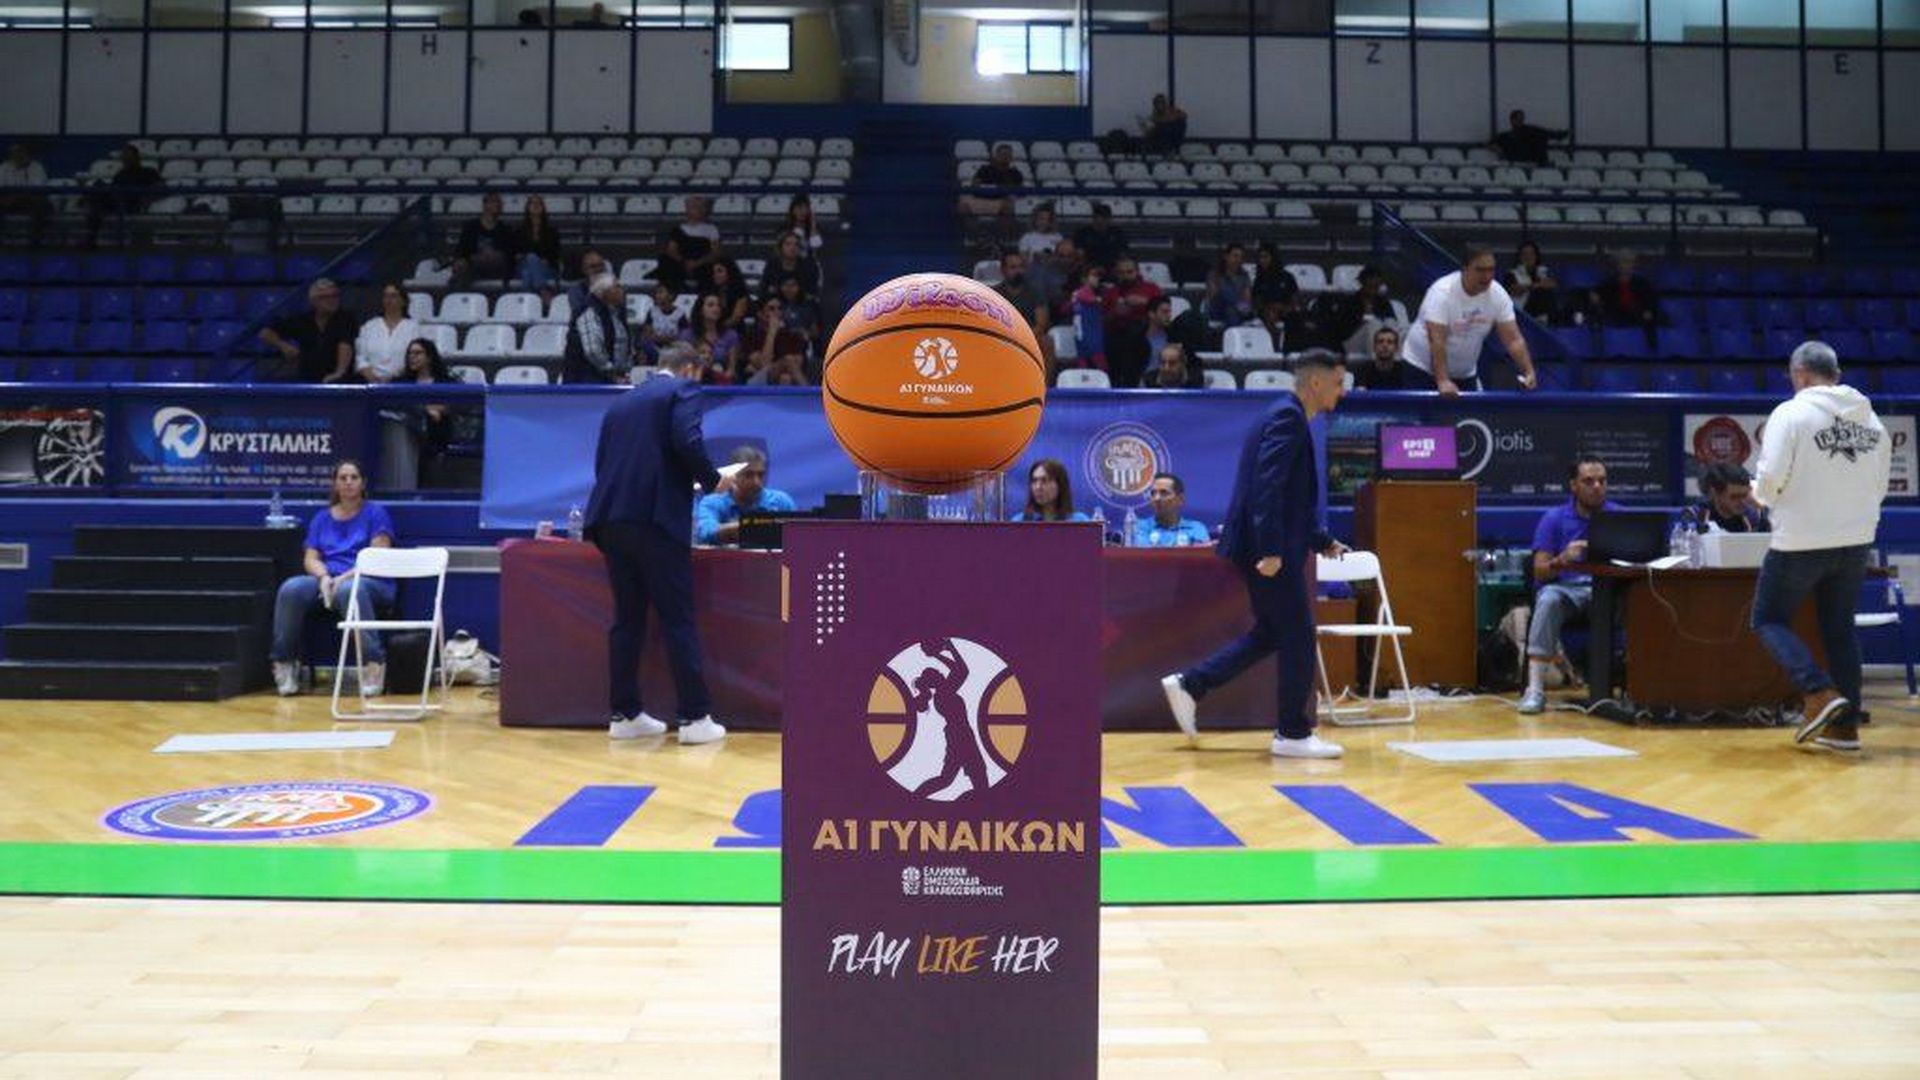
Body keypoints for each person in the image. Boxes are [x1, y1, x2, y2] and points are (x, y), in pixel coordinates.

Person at [1161, 350, 1351, 759]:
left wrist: (1321, 541)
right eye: (1339, 382)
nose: (1343, 391)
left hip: (1269, 545)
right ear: (1316, 382)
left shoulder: (1284, 415)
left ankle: (1192, 684)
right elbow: (1267, 487)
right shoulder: (1288, 419)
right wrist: (1270, 549)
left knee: (1272, 633)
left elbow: (1289, 500)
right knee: (1298, 635)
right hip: (1268, 550)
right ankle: (1293, 734)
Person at [584, 346, 733, 745]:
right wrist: (713, 479)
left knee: (627, 618)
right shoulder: (683, 389)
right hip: (655, 519)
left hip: (610, 518)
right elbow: (687, 440)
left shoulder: (622, 402)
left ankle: (625, 714)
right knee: (677, 618)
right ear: (690, 368)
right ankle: (695, 717)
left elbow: (602, 463)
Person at [1752, 341, 1891, 753]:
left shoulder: (1790, 413)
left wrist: (1762, 496)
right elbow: (1880, 486)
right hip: (1856, 540)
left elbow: (1771, 478)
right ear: (1837, 375)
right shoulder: (1873, 421)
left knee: (1768, 618)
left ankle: (1817, 692)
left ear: (1799, 374)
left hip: (1800, 539)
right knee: (1840, 629)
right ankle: (1845, 730)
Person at [270, 459, 396, 697]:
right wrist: (324, 577)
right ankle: (284, 662)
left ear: (363, 483)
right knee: (291, 588)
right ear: (335, 484)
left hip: (369, 581)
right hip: (329, 580)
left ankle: (373, 663)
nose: (348, 482)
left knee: (350, 590)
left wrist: (343, 579)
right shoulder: (321, 518)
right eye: (343, 478)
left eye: (354, 477)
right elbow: (311, 558)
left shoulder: (376, 514)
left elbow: (377, 558)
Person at [1518, 456, 1622, 714]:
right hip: (1569, 593)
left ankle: (1640, 686)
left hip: (1609, 591)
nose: (1597, 487)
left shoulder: (1619, 516)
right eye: (1589, 481)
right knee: (1548, 599)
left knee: (1646, 599)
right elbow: (1539, 571)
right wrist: (1562, 559)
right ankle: (1535, 689)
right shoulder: (1554, 519)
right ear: (1573, 485)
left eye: (1602, 481)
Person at [1402, 245, 1540, 395]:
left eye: (1491, 270)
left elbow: (1513, 340)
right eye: (1480, 270)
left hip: (1465, 372)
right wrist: (1443, 380)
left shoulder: (1498, 295)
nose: (1487, 276)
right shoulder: (1442, 292)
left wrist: (1528, 371)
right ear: (1465, 269)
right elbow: (1437, 340)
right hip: (1421, 368)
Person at [378, 337, 458, 492]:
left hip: (435, 437)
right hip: (404, 434)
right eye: (410, 353)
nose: (412, 357)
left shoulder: (445, 382)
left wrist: (437, 409)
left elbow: (453, 405)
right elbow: (391, 403)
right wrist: (426, 408)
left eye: (417, 353)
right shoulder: (401, 382)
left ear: (429, 357)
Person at [695, 446, 798, 545]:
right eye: (748, 475)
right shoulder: (712, 502)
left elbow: (799, 535)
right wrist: (758, 526)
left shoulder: (782, 501)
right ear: (733, 476)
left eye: (760, 475)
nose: (756, 482)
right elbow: (706, 532)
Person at [259, 278, 354, 384]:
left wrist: (339, 372)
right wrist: (283, 346)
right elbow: (265, 333)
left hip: (337, 381)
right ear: (313, 301)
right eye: (324, 297)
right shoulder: (302, 320)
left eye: (335, 296)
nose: (331, 300)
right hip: (307, 378)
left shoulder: (346, 319)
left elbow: (345, 344)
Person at [83, 143, 162, 246]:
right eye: (125, 157)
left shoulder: (148, 172)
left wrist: (147, 199)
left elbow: (161, 187)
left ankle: (91, 237)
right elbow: (113, 188)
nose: (126, 159)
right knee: (98, 187)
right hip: (115, 202)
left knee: (100, 199)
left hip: (132, 203)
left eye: (129, 156)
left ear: (136, 157)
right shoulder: (121, 174)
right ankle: (91, 237)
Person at [1103, 256, 1164, 388]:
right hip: (1117, 335)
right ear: (1116, 274)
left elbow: (1163, 312)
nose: (1125, 276)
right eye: (1121, 273)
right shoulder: (1110, 292)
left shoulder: (1152, 289)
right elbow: (1102, 320)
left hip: (1146, 332)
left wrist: (1144, 302)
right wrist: (1115, 313)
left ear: (1137, 272)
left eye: (1129, 272)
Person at [562, 275, 633, 385]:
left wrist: (623, 371)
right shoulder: (588, 312)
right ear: (604, 292)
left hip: (609, 377)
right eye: (617, 287)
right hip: (586, 381)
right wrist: (612, 374)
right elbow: (593, 351)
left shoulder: (615, 312)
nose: (622, 290)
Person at [993, 251, 1052, 375]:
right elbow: (990, 324)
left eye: (1021, 267)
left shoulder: (1035, 292)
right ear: (1003, 270)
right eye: (1013, 267)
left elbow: (1041, 324)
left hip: (1030, 337)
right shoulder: (994, 294)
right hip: (1002, 337)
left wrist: (1022, 340)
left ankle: (1044, 385)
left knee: (1047, 342)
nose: (1018, 271)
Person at [736, 295, 808, 386]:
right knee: (788, 360)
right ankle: (812, 393)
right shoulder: (751, 336)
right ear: (760, 314)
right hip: (757, 381)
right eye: (771, 309)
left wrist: (781, 366)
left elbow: (797, 364)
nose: (777, 312)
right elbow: (764, 365)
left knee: (785, 378)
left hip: (784, 379)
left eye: (779, 309)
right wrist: (772, 332)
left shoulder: (792, 335)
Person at [354, 282, 419, 385]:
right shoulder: (369, 326)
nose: (389, 300)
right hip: (370, 381)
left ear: (403, 301)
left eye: (393, 296)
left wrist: (393, 377)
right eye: (386, 296)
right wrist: (369, 374)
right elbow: (360, 356)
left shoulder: (413, 327)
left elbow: (416, 356)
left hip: (402, 381)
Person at [657, 195, 722, 294]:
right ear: (687, 209)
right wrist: (685, 262)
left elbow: (715, 252)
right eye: (695, 207)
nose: (699, 210)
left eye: (701, 207)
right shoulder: (678, 229)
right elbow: (671, 250)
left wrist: (697, 263)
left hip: (703, 264)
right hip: (682, 263)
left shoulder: (711, 229)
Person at [452, 192, 518, 287]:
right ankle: (456, 291)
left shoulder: (505, 229)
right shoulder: (471, 227)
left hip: (497, 268)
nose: (498, 205)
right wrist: (462, 260)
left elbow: (510, 255)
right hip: (474, 266)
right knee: (464, 266)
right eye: (495, 202)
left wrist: (496, 255)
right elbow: (461, 250)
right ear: (485, 205)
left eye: (500, 203)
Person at [1688, 462, 1770, 533]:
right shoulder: (1695, 517)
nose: (1742, 501)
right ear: (1714, 493)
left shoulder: (1755, 518)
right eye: (1735, 496)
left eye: (1745, 495)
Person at [1134, 473, 1211, 547]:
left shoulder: (1196, 528)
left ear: (1180, 499)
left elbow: (1201, 554)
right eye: (1153, 493)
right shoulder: (1139, 527)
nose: (1156, 498)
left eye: (1164, 493)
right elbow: (1145, 554)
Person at [682, 293, 740, 385]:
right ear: (700, 310)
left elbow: (731, 369)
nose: (716, 309)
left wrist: (720, 380)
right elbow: (684, 365)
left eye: (718, 305)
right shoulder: (687, 335)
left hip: (721, 383)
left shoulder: (731, 335)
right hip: (693, 381)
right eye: (710, 305)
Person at [1593, 250, 1660, 328]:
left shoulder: (1642, 283)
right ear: (1617, 264)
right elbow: (1601, 300)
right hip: (1615, 316)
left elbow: (1650, 300)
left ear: (1633, 264)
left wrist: (1648, 311)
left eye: (1629, 262)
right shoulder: (1607, 284)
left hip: (1638, 315)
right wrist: (1596, 299)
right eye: (1623, 262)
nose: (1626, 266)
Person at [0, 143, 51, 245]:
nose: (18, 155)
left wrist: (17, 196)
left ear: (27, 153)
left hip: (30, 202)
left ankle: (34, 241)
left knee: (42, 204)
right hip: (8, 201)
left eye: (21, 152)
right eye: (15, 152)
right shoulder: (4, 167)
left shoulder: (37, 167)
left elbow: (37, 189)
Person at [959, 142, 1024, 220]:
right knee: (963, 206)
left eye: (1008, 155)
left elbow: (1019, 191)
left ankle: (1002, 228)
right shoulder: (985, 169)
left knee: (1007, 206)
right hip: (981, 199)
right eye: (1003, 154)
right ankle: (972, 228)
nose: (1006, 157)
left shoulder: (1015, 173)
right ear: (996, 156)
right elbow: (975, 185)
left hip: (1000, 201)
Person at [1016, 459, 1088, 522]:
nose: (1038, 487)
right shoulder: (1019, 522)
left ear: (1060, 485)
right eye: (1034, 481)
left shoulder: (1079, 521)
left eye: (1045, 481)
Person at [518, 194, 563, 293]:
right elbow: (517, 252)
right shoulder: (520, 231)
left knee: (527, 274)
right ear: (527, 207)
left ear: (543, 207)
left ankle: (530, 300)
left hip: (546, 268)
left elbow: (556, 252)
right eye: (532, 203)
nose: (536, 205)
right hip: (525, 265)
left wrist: (546, 260)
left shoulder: (551, 231)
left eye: (539, 203)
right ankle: (543, 291)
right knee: (531, 259)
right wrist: (533, 259)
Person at [1506, 241, 1558, 324]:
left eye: (1531, 254)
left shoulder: (1543, 271)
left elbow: (1553, 284)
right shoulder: (1512, 273)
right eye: (1525, 254)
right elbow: (1515, 290)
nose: (1528, 257)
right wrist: (1535, 285)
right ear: (1519, 257)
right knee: (1539, 291)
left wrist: (1539, 284)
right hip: (1522, 310)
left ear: (1536, 256)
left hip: (1543, 308)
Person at [1493, 108, 1568, 166]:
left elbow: (1545, 133)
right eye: (1518, 119)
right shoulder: (1506, 136)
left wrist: (1558, 135)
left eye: (1521, 119)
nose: (1520, 121)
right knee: (1539, 135)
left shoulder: (1529, 130)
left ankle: (1543, 162)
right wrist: (1499, 150)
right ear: (1512, 120)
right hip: (1516, 158)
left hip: (1529, 158)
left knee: (1539, 136)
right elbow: (1491, 143)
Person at [1204, 243, 1254, 327]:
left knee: (1233, 310)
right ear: (1226, 256)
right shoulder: (1214, 274)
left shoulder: (1244, 276)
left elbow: (1247, 300)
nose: (1238, 260)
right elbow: (1214, 296)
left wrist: (1239, 306)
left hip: (1238, 310)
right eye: (1235, 256)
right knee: (1225, 293)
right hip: (1217, 309)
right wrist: (1236, 302)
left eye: (1241, 257)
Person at [1072, 202, 1129, 274]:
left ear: (1109, 218)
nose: (1100, 220)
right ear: (1093, 218)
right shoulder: (1082, 233)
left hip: (1113, 270)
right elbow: (1079, 255)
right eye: (1097, 217)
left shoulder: (1117, 233)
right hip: (1089, 270)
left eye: (1104, 217)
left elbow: (1123, 255)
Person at [762, 231, 820, 299]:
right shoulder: (772, 264)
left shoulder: (809, 265)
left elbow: (812, 291)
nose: (792, 247)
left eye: (796, 244)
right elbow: (764, 288)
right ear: (781, 247)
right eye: (788, 244)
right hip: (776, 302)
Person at [1351, 326, 1411, 391]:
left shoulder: (1404, 371)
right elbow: (1360, 394)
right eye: (1380, 341)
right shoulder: (1362, 370)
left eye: (1390, 342)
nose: (1385, 345)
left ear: (1396, 348)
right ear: (1374, 347)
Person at [704, 259, 751, 329]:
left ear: (729, 272)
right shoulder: (710, 290)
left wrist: (718, 329)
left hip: (733, 329)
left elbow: (735, 318)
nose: (715, 275)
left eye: (720, 271)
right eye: (714, 272)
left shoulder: (740, 291)